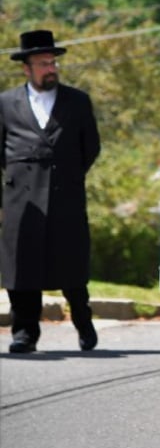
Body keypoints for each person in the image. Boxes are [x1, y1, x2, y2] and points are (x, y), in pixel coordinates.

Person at [1, 30, 101, 354]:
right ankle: (25, 333)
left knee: (71, 265)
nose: (50, 68)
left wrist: (67, 174)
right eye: (42, 63)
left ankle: (83, 324)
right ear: (26, 68)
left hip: (65, 195)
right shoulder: (6, 103)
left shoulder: (77, 101)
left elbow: (91, 147)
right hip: (21, 199)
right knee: (22, 268)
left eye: (52, 62)